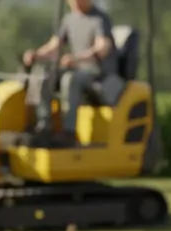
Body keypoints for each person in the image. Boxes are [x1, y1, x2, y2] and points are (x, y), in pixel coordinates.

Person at [22, 0, 120, 138]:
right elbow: (54, 45)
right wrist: (36, 54)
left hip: (97, 72)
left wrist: (77, 58)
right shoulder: (69, 19)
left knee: (70, 79)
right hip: (77, 68)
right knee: (43, 76)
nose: (76, 3)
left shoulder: (100, 19)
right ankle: (44, 125)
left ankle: (68, 132)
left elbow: (103, 47)